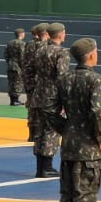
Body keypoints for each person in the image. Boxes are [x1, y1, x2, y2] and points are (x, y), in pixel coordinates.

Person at [53, 38, 101, 202]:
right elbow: (98, 112)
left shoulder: (64, 79)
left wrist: (65, 129)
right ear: (91, 55)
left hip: (69, 143)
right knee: (85, 190)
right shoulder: (96, 80)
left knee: (68, 191)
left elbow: (50, 110)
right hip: (88, 146)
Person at [31, 23, 70, 179]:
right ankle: (47, 167)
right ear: (60, 35)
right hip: (53, 95)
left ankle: (40, 167)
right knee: (51, 131)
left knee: (39, 131)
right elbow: (62, 77)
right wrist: (65, 100)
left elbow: (30, 70)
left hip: (39, 93)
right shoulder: (61, 52)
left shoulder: (40, 49)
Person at [22, 24, 46, 141]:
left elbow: (25, 63)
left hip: (30, 82)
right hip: (42, 83)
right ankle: (40, 135)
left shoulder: (29, 44)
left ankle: (32, 134)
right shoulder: (45, 46)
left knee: (32, 109)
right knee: (42, 109)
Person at [4, 27, 27, 106]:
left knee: (11, 82)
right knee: (18, 82)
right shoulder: (22, 44)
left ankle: (12, 100)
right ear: (21, 34)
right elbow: (22, 56)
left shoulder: (10, 43)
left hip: (11, 65)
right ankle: (16, 100)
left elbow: (6, 54)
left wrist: (10, 62)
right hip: (18, 66)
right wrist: (23, 66)